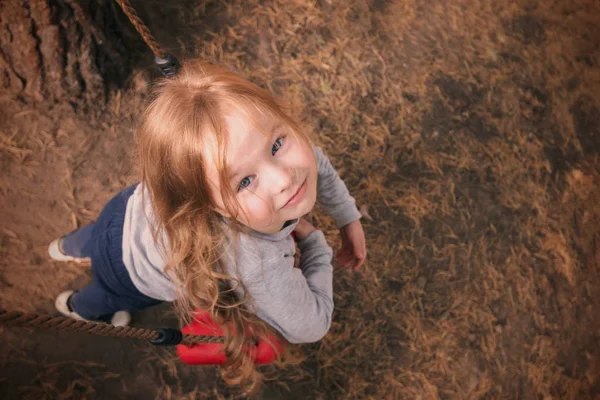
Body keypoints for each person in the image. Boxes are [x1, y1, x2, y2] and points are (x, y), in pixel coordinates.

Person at [48, 60, 366, 389]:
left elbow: (315, 160)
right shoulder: (258, 262)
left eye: (276, 145)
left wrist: (348, 217)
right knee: (108, 298)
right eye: (244, 182)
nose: (284, 177)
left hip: (124, 209)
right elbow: (310, 326)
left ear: (284, 120)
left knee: (94, 236)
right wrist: (314, 244)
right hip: (129, 272)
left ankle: (64, 247)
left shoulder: (258, 161)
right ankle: (76, 306)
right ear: (206, 207)